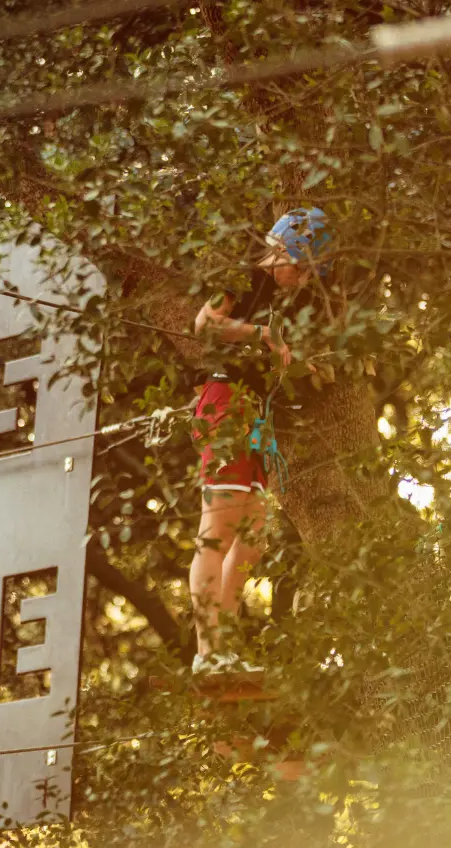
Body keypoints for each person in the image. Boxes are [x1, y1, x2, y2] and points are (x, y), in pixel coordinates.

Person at [187, 208, 331, 675]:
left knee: (253, 538)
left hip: (251, 411)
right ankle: (207, 654)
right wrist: (262, 335)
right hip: (225, 403)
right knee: (217, 533)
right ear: (284, 250)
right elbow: (204, 324)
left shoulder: (273, 297)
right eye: (304, 266)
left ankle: (224, 648)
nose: (306, 279)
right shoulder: (243, 278)